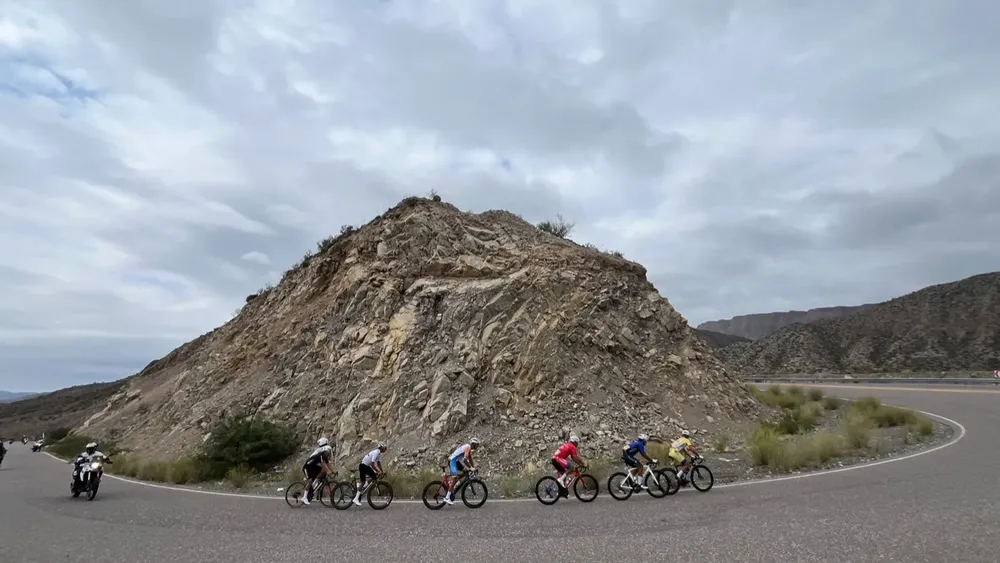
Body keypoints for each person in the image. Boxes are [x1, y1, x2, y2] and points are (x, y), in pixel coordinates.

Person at [443, 438, 480, 505]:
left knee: (465, 471)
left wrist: (473, 467)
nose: (477, 447)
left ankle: (453, 484)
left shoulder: (469, 449)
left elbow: (470, 459)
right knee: (455, 478)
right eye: (477, 445)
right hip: (452, 461)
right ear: (473, 444)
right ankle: (447, 497)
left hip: (457, 462)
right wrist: (471, 468)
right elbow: (465, 460)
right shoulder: (468, 447)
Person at [300, 437, 334, 506]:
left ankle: (318, 495)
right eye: (328, 453)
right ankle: (304, 497)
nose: (328, 454)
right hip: (308, 466)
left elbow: (327, 464)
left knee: (322, 475)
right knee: (310, 480)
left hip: (314, 466)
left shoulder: (322, 452)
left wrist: (333, 471)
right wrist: (328, 471)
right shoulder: (321, 452)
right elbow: (323, 464)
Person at [353, 441, 387, 506]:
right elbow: (372, 464)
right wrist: (378, 471)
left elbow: (378, 463)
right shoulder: (377, 452)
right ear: (382, 448)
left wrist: (381, 471)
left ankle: (360, 485)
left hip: (365, 466)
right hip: (364, 466)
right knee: (370, 478)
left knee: (373, 476)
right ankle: (356, 499)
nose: (386, 449)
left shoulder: (379, 453)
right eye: (385, 448)